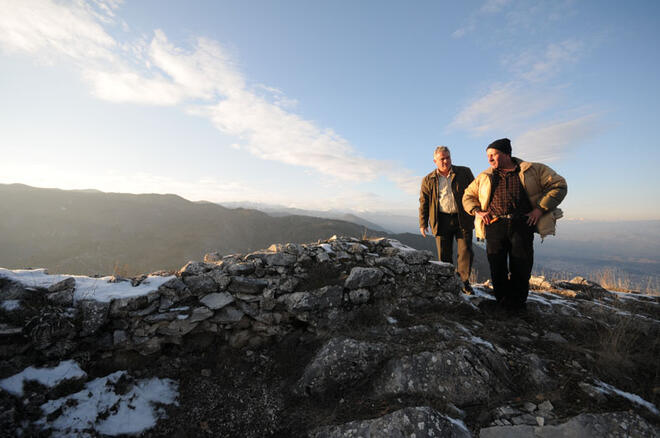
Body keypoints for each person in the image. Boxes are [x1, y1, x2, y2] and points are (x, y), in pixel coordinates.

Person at [462, 138, 567, 311]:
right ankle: (502, 301)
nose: (489, 159)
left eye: (493, 154)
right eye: (488, 156)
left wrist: (540, 209)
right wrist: (477, 211)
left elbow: (559, 185)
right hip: (494, 224)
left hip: (522, 223)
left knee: (522, 264)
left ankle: (517, 304)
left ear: (506, 154)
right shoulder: (485, 176)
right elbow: (467, 196)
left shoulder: (533, 169)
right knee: (497, 264)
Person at [419, 146, 475, 293]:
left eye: (448, 157)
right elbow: (424, 202)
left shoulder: (464, 172)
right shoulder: (428, 179)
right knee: (444, 253)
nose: (445, 161)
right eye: (442, 158)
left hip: (463, 217)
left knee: (465, 252)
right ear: (435, 161)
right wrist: (423, 223)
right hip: (441, 219)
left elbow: (475, 192)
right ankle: (447, 282)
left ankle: (464, 282)